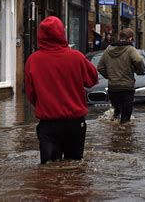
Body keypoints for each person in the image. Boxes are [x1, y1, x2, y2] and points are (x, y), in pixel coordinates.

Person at [25, 16, 98, 164]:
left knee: (49, 172)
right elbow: (92, 80)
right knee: (75, 168)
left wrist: (45, 104)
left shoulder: (33, 60)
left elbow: (31, 94)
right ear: (61, 33)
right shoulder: (76, 57)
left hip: (48, 125)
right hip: (74, 124)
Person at [97, 28, 145, 124]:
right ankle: (124, 136)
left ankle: (114, 137)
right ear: (130, 39)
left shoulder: (108, 49)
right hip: (126, 89)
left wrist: (110, 76)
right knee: (125, 120)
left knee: (116, 115)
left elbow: (100, 67)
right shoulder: (130, 49)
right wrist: (141, 71)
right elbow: (139, 60)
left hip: (113, 88)